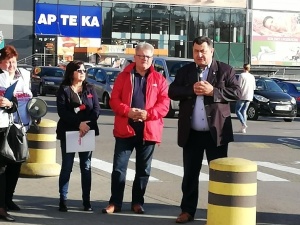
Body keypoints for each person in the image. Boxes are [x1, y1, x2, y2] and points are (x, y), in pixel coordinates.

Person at [168, 36, 241, 223]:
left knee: (219, 175)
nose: (199, 55)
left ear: (211, 51)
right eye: (196, 51)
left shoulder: (225, 70)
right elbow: (172, 91)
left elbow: (237, 93)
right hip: (191, 133)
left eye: (203, 51)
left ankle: (220, 210)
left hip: (215, 133)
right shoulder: (185, 71)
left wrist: (213, 92)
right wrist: (191, 89)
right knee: (190, 175)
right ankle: (187, 211)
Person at [102, 42, 170, 214]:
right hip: (125, 129)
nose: (145, 59)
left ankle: (137, 202)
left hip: (148, 131)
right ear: (135, 57)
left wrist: (148, 114)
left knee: (143, 170)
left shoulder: (159, 79)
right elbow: (114, 100)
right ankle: (115, 202)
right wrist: (128, 111)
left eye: (148, 57)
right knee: (119, 168)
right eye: (141, 56)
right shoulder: (123, 76)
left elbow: (164, 105)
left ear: (152, 59)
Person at [56, 60, 100, 212]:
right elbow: (62, 112)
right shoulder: (64, 89)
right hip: (69, 132)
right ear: (71, 72)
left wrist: (87, 124)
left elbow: (96, 109)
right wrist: (78, 124)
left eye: (84, 71)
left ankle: (86, 201)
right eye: (79, 70)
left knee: (86, 166)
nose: (82, 73)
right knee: (67, 167)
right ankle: (63, 199)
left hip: (87, 131)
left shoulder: (90, 88)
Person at [0, 45, 21, 222]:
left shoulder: (8, 79)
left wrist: (8, 104)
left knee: (5, 168)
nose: (10, 65)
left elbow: (14, 105)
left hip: (5, 127)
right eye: (7, 62)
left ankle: (4, 204)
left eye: (12, 62)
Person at [235, 64, 256, 133]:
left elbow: (239, 86)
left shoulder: (242, 75)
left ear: (243, 68)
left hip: (242, 95)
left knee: (237, 110)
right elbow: (254, 87)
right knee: (244, 111)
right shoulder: (252, 76)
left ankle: (243, 124)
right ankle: (243, 128)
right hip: (249, 95)